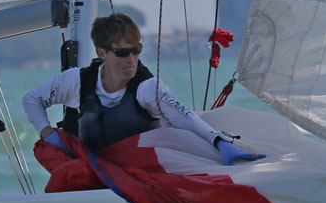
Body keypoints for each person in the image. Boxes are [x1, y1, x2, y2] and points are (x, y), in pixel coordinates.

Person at [23, 12, 262, 171]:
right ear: (102, 53)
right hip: (95, 170)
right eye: (122, 53)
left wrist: (219, 142)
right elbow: (32, 99)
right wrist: (47, 133)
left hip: (139, 172)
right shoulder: (76, 81)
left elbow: (185, 117)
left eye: (136, 50)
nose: (132, 59)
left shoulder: (148, 89)